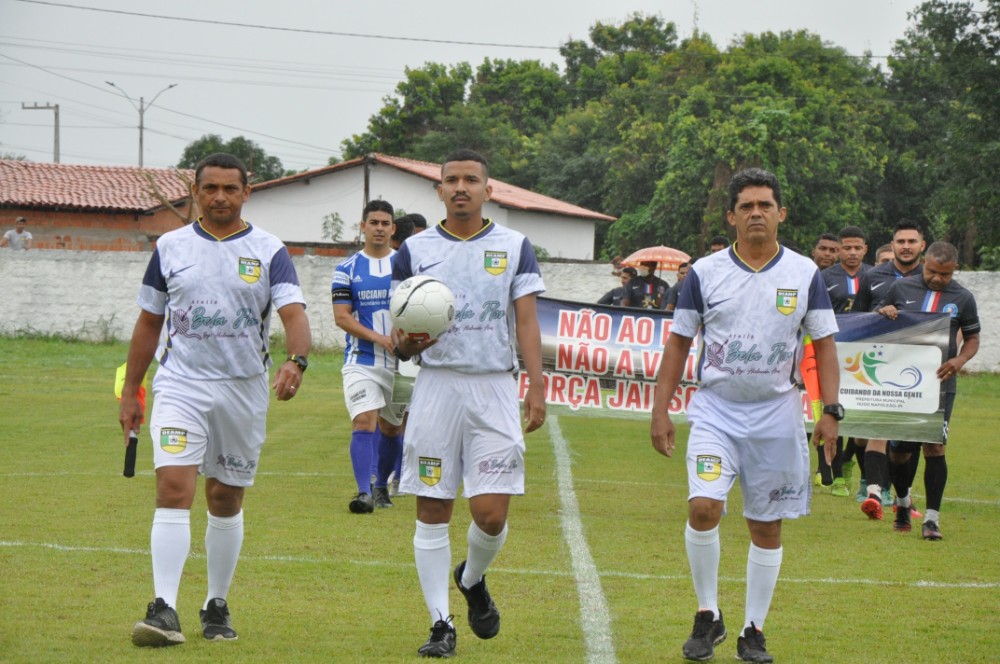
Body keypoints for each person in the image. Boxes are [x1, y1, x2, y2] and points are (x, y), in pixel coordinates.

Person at [118, 153, 311, 647]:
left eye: (230, 188)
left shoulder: (270, 251)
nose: (220, 197)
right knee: (173, 488)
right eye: (210, 188)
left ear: (247, 192)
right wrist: (131, 391)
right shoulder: (170, 246)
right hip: (180, 384)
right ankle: (163, 608)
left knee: (225, 497)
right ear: (196, 192)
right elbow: (148, 323)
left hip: (243, 389)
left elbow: (293, 312)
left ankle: (216, 603)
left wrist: (297, 359)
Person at [650, 168, 840, 663]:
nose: (757, 213)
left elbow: (824, 345)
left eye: (765, 205)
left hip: (777, 414)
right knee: (703, 508)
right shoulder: (705, 273)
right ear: (732, 216)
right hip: (716, 411)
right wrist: (660, 410)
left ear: (781, 213)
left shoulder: (804, 273)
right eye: (747, 206)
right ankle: (708, 614)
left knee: (767, 525)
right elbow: (677, 344)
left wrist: (830, 412)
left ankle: (753, 630)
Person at [391, 149, 546, 658]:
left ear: (488, 189)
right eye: (451, 180)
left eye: (471, 180)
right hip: (437, 387)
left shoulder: (514, 245)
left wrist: (537, 385)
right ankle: (440, 623)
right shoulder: (413, 250)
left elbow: (525, 320)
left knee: (491, 514)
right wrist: (405, 344)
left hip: (495, 388)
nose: (461, 187)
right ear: (438, 190)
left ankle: (472, 577)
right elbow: (400, 324)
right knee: (433, 506)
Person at [876, 242, 979, 540]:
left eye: (944, 274)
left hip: (940, 383)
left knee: (935, 447)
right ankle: (903, 502)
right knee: (899, 453)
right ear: (923, 263)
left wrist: (959, 360)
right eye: (932, 271)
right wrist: (884, 311)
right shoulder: (900, 288)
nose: (937, 278)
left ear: (954, 270)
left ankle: (932, 519)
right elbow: (876, 320)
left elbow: (973, 339)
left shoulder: (963, 297)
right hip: (902, 382)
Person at [332, 200, 407, 513]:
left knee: (392, 429)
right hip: (361, 361)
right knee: (364, 422)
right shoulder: (346, 269)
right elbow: (342, 317)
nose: (379, 228)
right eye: (373, 222)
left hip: (403, 365)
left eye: (385, 223)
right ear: (362, 227)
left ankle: (380, 487)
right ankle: (363, 492)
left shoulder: (406, 266)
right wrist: (379, 338)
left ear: (392, 228)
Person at [854, 221, 926, 516]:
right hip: (880, 363)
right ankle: (872, 490)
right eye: (900, 241)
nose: (906, 246)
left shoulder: (931, 276)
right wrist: (879, 314)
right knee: (875, 429)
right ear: (892, 244)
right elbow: (859, 316)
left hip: (921, 367)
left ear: (922, 245)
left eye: (912, 241)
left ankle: (903, 497)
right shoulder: (873, 276)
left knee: (910, 440)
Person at [816, 226, 871, 496]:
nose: (851, 252)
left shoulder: (874, 276)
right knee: (833, 410)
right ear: (838, 250)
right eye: (845, 248)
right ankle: (836, 475)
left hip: (864, 357)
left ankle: (850, 460)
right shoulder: (825, 277)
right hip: (832, 355)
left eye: (856, 248)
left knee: (861, 416)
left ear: (865, 249)